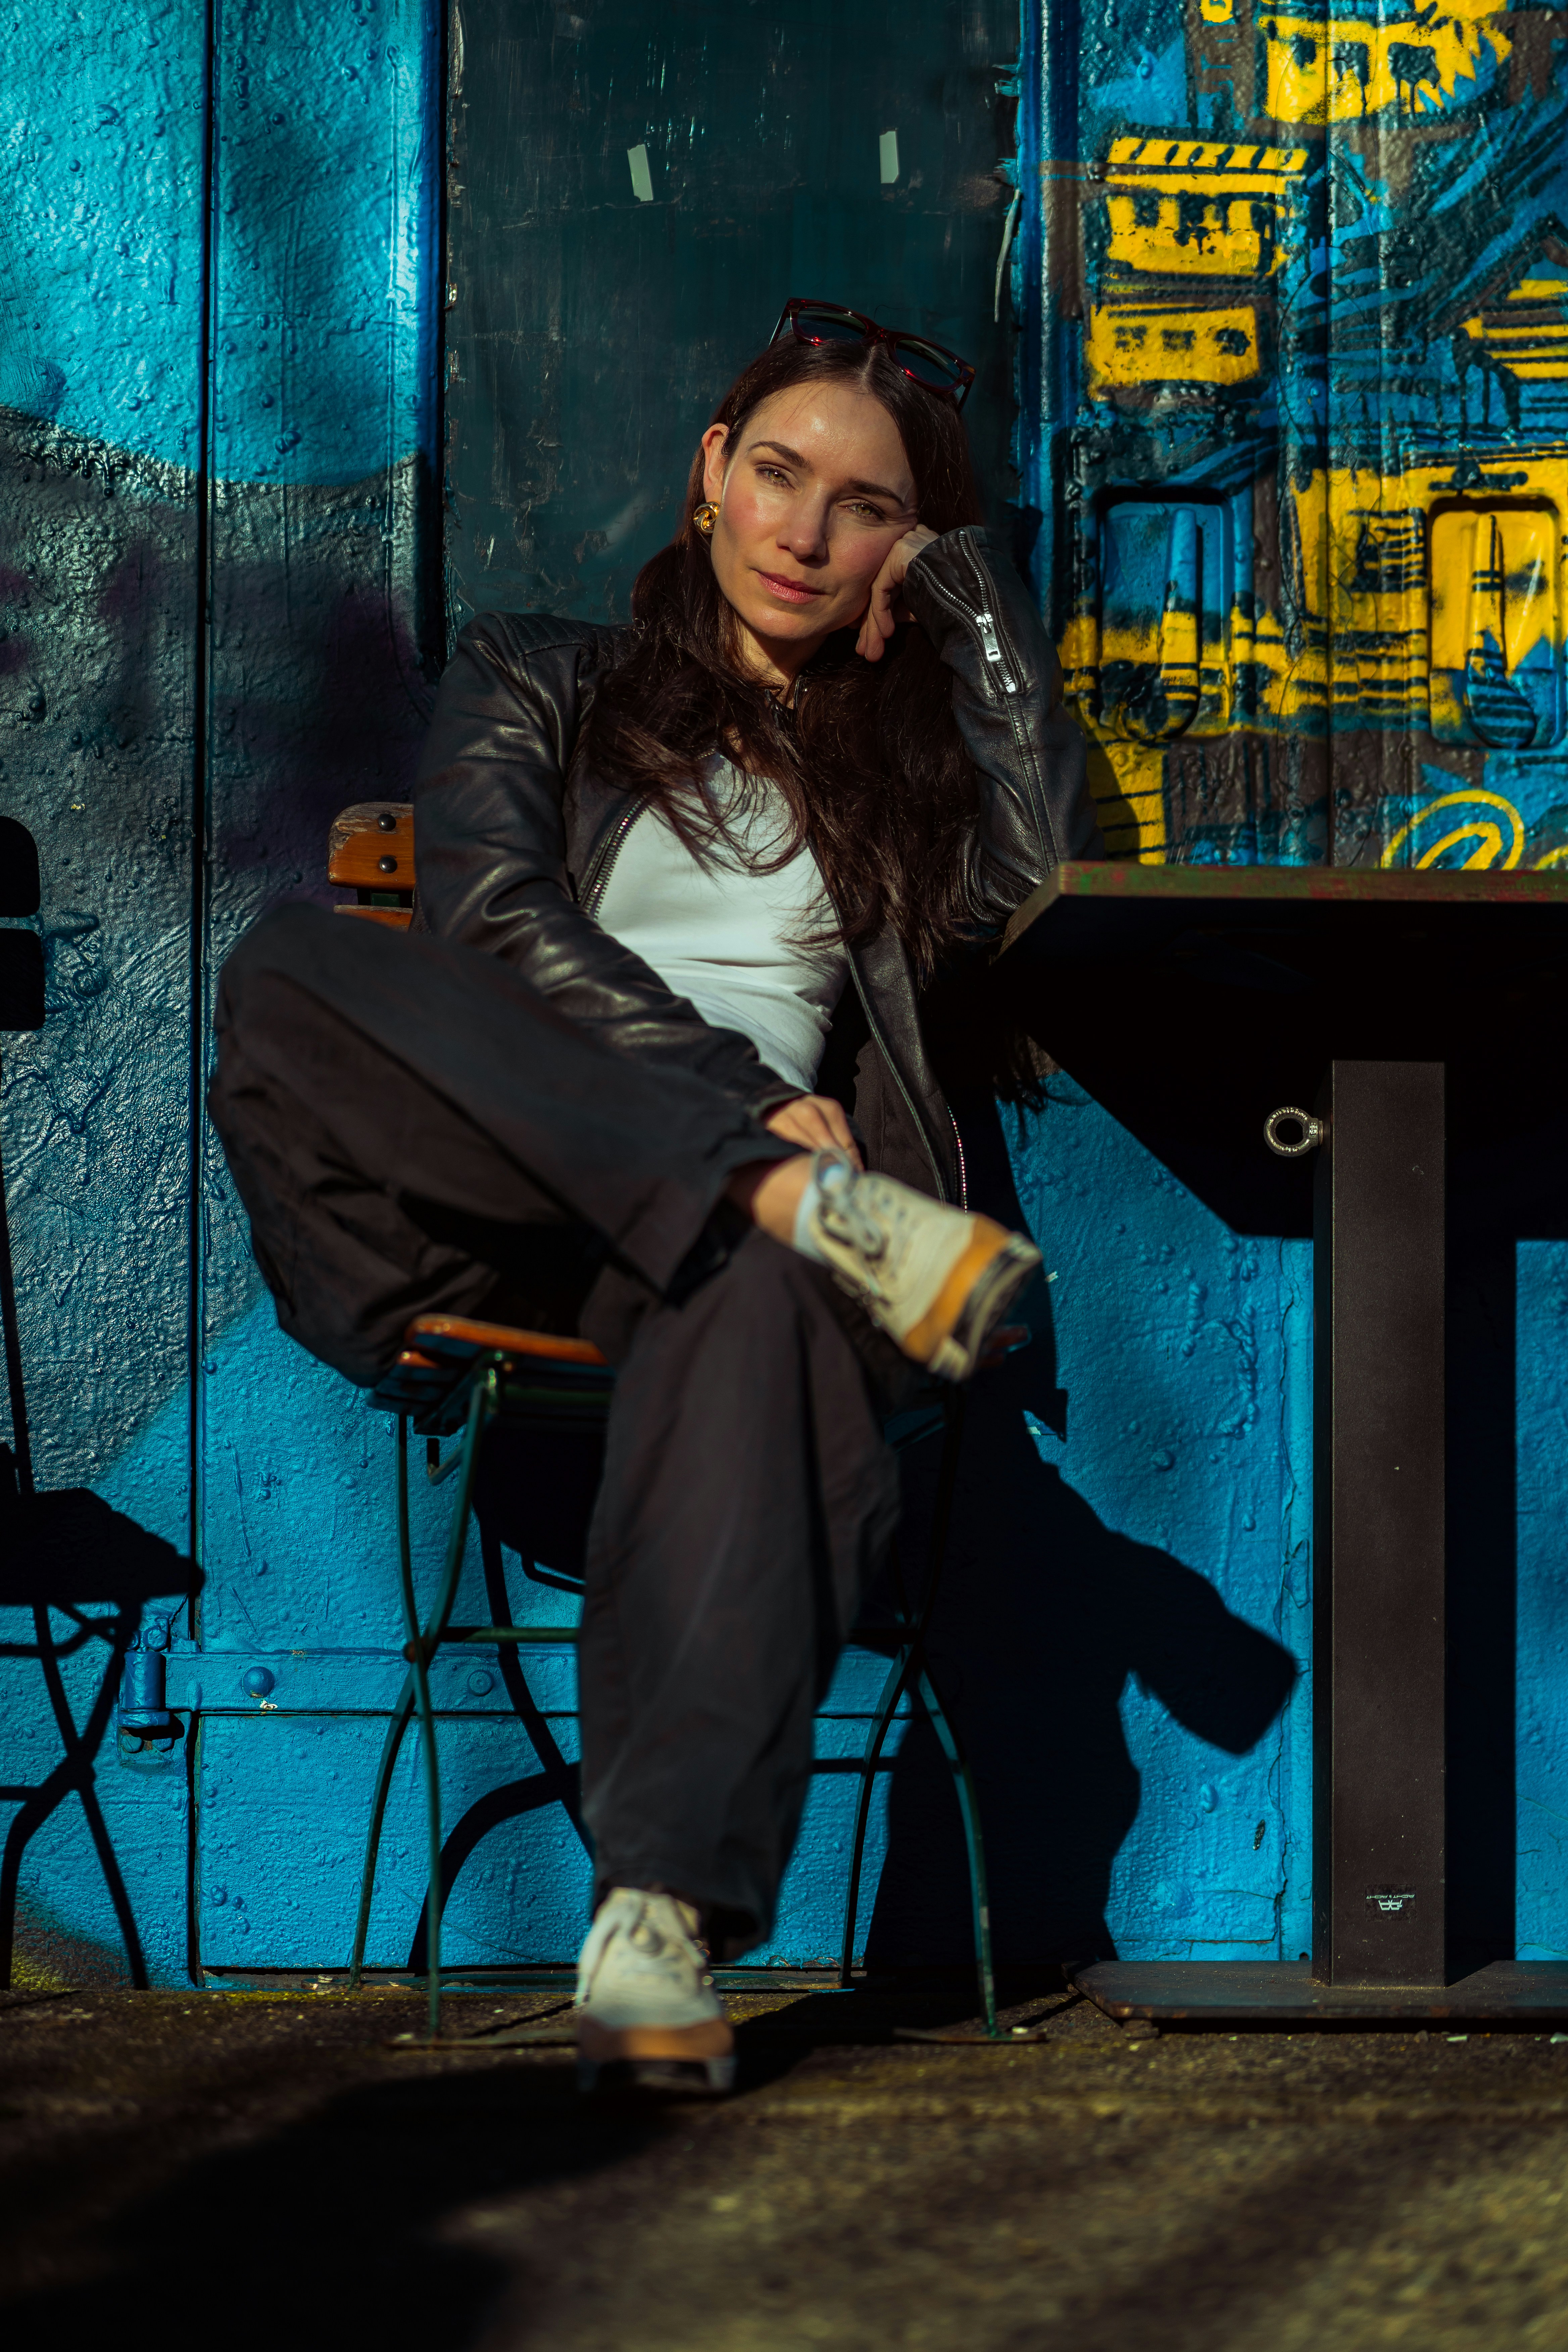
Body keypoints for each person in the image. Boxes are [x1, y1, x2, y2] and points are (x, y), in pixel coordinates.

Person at [207, 298, 1101, 2095]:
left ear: (895, 551)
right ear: (709, 474)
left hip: (707, 1264)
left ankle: (660, 1917)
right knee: (297, 968)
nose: (801, 529)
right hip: (486, 1190)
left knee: (768, 1291)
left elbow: (1046, 904)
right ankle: (777, 1195)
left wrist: (978, 613)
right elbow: (487, 918)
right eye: (775, 473)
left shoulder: (900, 771)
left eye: (862, 509)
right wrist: (752, 1115)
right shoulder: (537, 670)